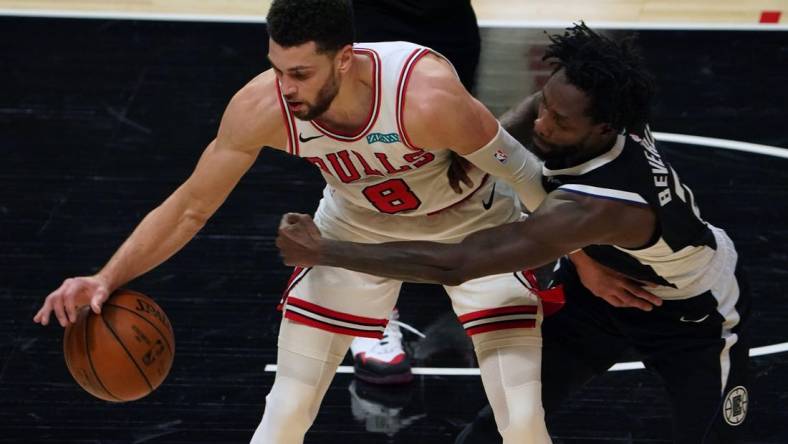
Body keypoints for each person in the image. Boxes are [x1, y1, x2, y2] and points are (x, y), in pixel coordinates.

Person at [32, 1, 573, 442]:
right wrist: (107, 277)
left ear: (344, 59)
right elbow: (191, 206)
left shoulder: (425, 96)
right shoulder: (263, 106)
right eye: (276, 68)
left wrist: (587, 261)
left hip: (473, 231)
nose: (285, 87)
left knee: (523, 421)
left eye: (299, 73)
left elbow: (530, 178)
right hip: (354, 233)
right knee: (285, 412)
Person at [277, 23, 751, 443]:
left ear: (605, 127)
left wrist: (329, 250)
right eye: (546, 105)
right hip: (599, 297)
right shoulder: (610, 108)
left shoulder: (591, 207)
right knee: (502, 426)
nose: (543, 122)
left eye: (560, 122)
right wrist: (477, 150)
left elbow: (457, 263)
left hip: (690, 315)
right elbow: (540, 108)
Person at [348, 0, 482, 385]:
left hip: (445, 18)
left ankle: (479, 274)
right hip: (367, 17)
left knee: (453, 148)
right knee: (367, 159)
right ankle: (371, 311)